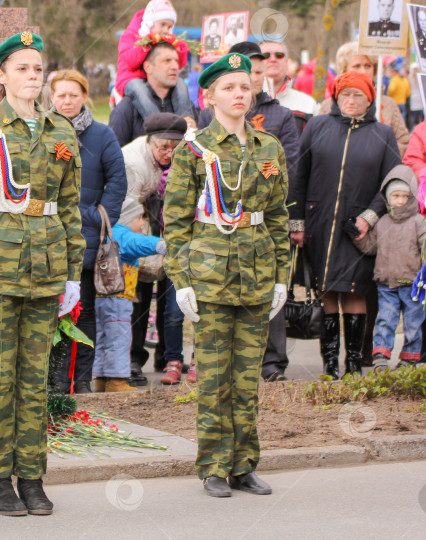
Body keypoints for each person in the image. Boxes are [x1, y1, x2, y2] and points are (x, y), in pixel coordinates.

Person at [0, 32, 83, 516]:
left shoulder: (60, 130)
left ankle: (32, 475)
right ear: (1, 75)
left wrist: (73, 271)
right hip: (0, 270)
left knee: (35, 380)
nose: (32, 76)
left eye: (37, 68)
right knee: (0, 379)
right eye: (22, 68)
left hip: (47, 267)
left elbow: (69, 207)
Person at [163, 52, 290, 498]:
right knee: (214, 377)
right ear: (209, 95)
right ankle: (214, 466)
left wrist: (281, 277)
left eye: (244, 86)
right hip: (210, 278)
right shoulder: (193, 151)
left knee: (246, 377)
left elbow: (277, 217)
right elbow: (176, 223)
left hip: (256, 276)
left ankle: (244, 464)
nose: (239, 94)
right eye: (229, 88)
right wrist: (182, 280)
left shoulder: (268, 148)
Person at [199, 41, 301, 381]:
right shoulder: (202, 133)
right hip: (215, 244)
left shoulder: (278, 121)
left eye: (252, 78)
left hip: (258, 238)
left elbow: (285, 179)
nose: (247, 86)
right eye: (233, 84)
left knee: (263, 310)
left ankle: (273, 364)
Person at [291, 71, 400, 379]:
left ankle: (352, 362)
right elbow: (300, 174)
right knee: (325, 289)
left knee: (354, 291)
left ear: (370, 100)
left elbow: (391, 185)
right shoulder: (318, 126)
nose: (351, 101)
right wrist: (296, 222)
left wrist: (369, 217)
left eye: (359, 96)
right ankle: (328, 363)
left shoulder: (383, 133)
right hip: (319, 222)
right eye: (345, 95)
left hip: (356, 228)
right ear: (336, 97)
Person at [49, 69, 127, 394]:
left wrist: (94, 216)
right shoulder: (41, 132)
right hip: (49, 238)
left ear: (85, 97)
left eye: (73, 94)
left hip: (87, 241)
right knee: (51, 311)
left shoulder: (102, 135)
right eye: (61, 95)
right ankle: (52, 381)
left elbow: (118, 183)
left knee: (84, 312)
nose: (67, 101)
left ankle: (81, 381)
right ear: (51, 97)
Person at [121, 112, 187, 385]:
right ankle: (134, 358)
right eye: (163, 147)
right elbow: (126, 208)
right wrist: (147, 243)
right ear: (149, 142)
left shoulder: (179, 155)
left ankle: (165, 355)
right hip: (135, 224)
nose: (169, 154)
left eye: (175, 148)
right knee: (139, 294)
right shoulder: (133, 163)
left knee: (168, 296)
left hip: (162, 221)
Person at [353, 165, 426, 370]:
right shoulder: (383, 222)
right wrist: (357, 236)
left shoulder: (419, 222)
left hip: (412, 284)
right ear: (387, 196)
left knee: (413, 323)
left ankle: (409, 358)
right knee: (385, 320)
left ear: (412, 195)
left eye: (405, 196)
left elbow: (424, 250)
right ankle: (381, 356)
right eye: (395, 195)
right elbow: (371, 247)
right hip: (386, 284)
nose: (400, 201)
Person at [94, 199, 166, 392]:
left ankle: (101, 377)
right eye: (139, 218)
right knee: (120, 338)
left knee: (102, 338)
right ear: (126, 218)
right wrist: (161, 244)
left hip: (100, 297)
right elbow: (138, 243)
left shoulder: (105, 233)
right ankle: (118, 380)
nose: (142, 223)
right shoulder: (121, 234)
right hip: (119, 298)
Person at [317, 42, 410, 157]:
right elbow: (319, 142)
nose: (363, 72)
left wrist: (381, 154)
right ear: (344, 70)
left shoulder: (388, 104)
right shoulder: (329, 105)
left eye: (368, 66)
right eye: (356, 66)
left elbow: (404, 142)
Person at [115, 1, 193, 125]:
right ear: (149, 23)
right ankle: (157, 124)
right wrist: (146, 43)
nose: (165, 30)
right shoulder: (130, 35)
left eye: (169, 27)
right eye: (162, 24)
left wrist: (180, 48)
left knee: (180, 83)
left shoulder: (165, 39)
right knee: (140, 91)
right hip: (131, 77)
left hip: (157, 78)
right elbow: (130, 62)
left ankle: (186, 121)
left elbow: (181, 64)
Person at [110, 38, 197, 147]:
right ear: (148, 67)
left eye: (176, 61)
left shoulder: (187, 106)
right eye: (167, 60)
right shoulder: (127, 108)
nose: (175, 67)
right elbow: (115, 155)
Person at [259, 40, 318, 132]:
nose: (273, 59)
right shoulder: (245, 102)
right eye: (266, 55)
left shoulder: (308, 104)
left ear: (287, 62)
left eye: (279, 55)